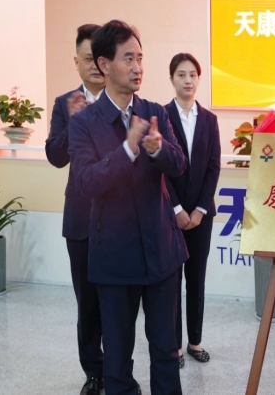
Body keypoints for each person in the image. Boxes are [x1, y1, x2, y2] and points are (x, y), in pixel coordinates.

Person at [68, 20, 188, 395]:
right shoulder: (84, 122)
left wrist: (158, 148)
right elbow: (87, 182)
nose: (138, 68)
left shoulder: (154, 112)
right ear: (104, 64)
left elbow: (179, 164)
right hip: (114, 256)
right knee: (118, 359)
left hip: (161, 250)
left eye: (140, 58)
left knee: (166, 351)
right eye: (128, 59)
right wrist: (127, 150)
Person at [46, 24, 106, 395]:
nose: (96, 66)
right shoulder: (64, 104)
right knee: (87, 302)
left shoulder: (125, 100)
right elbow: (55, 157)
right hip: (81, 219)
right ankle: (94, 373)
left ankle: (118, 369)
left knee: (117, 301)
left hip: (120, 219)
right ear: (77, 62)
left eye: (101, 59)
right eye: (88, 59)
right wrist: (75, 122)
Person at [163, 53, 221, 368]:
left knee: (196, 279)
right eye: (181, 75)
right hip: (169, 215)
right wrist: (176, 208)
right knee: (172, 283)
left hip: (201, 215)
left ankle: (194, 341)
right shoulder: (161, 116)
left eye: (192, 75)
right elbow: (159, 168)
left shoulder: (210, 120)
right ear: (172, 79)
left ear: (199, 79)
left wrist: (199, 210)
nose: (188, 80)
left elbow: (213, 168)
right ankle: (174, 347)